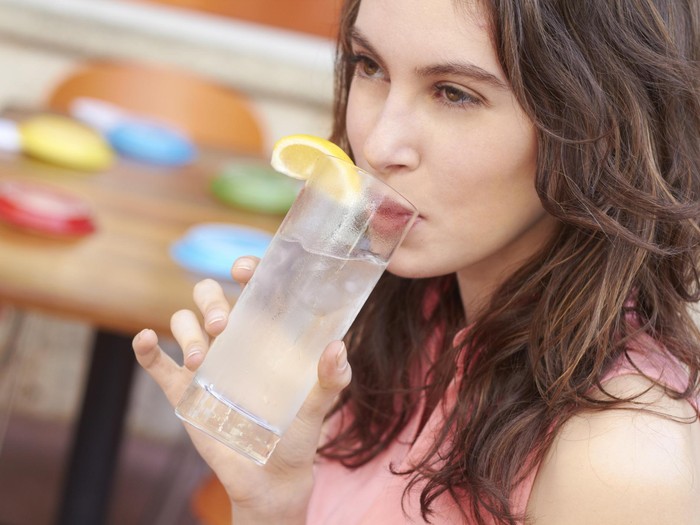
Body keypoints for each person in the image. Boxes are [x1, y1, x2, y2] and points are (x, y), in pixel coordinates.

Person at [132, 0, 700, 523]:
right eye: (369, 65)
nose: (378, 144)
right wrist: (269, 503)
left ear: (595, 129)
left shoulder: (617, 459)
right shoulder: (398, 324)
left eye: (454, 93)